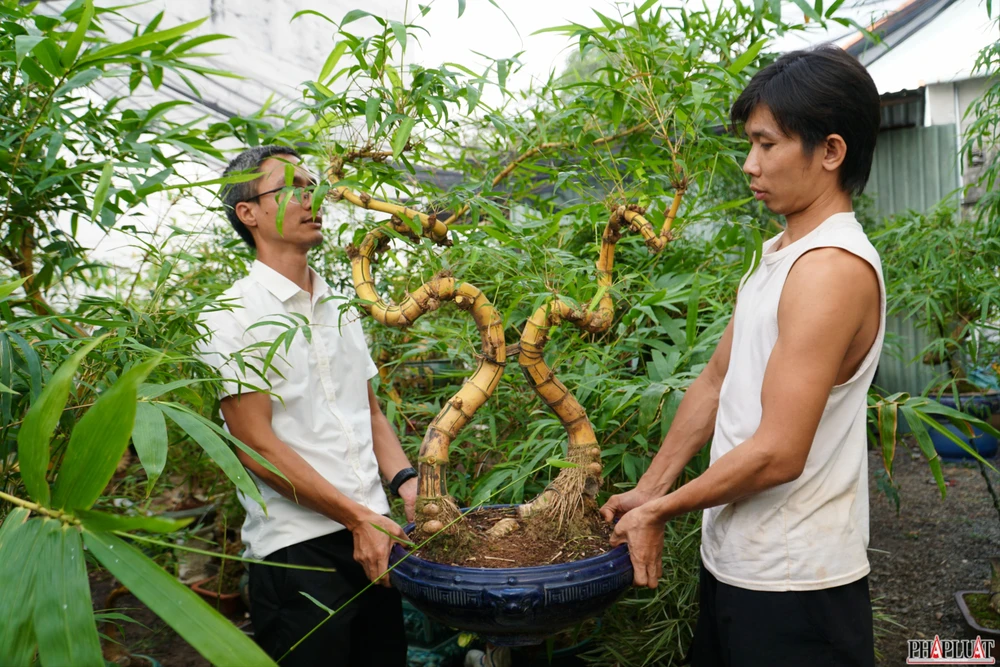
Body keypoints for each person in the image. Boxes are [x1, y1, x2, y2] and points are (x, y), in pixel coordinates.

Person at [601, 46, 884, 666]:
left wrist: (662, 511)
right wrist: (650, 488)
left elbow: (781, 452)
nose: (750, 165)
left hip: (796, 586)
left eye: (767, 145)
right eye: (749, 145)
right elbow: (716, 378)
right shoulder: (782, 252)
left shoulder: (830, 270)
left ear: (831, 151)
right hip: (741, 565)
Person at [198, 145, 415, 665]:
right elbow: (256, 446)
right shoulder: (227, 316)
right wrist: (355, 517)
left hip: (377, 534)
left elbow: (371, 413)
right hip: (300, 550)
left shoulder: (340, 305)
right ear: (247, 213)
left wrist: (408, 485)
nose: (312, 196)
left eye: (315, 184)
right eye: (291, 187)